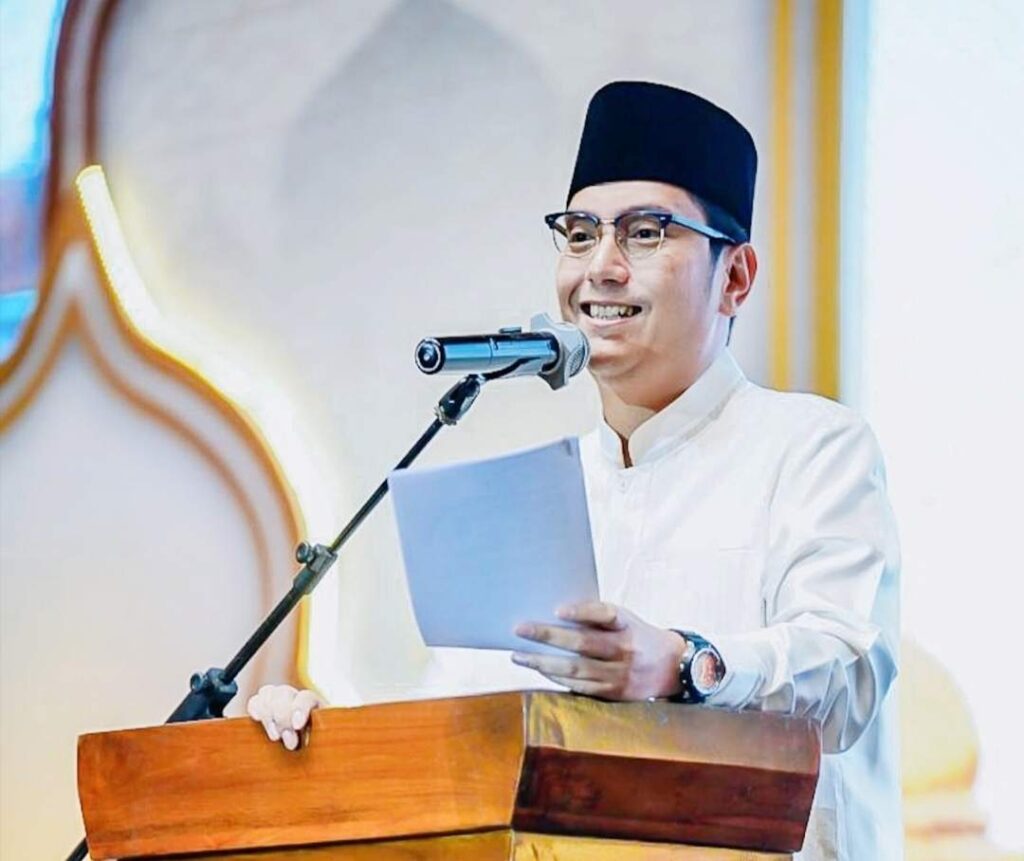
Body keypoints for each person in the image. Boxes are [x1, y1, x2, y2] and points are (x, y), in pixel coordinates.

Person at [247, 81, 901, 861]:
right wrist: (323, 740)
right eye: (580, 234)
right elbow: (456, 733)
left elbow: (847, 674)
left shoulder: (814, 448)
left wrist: (684, 662)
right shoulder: (529, 497)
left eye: (646, 233)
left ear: (735, 277)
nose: (602, 268)